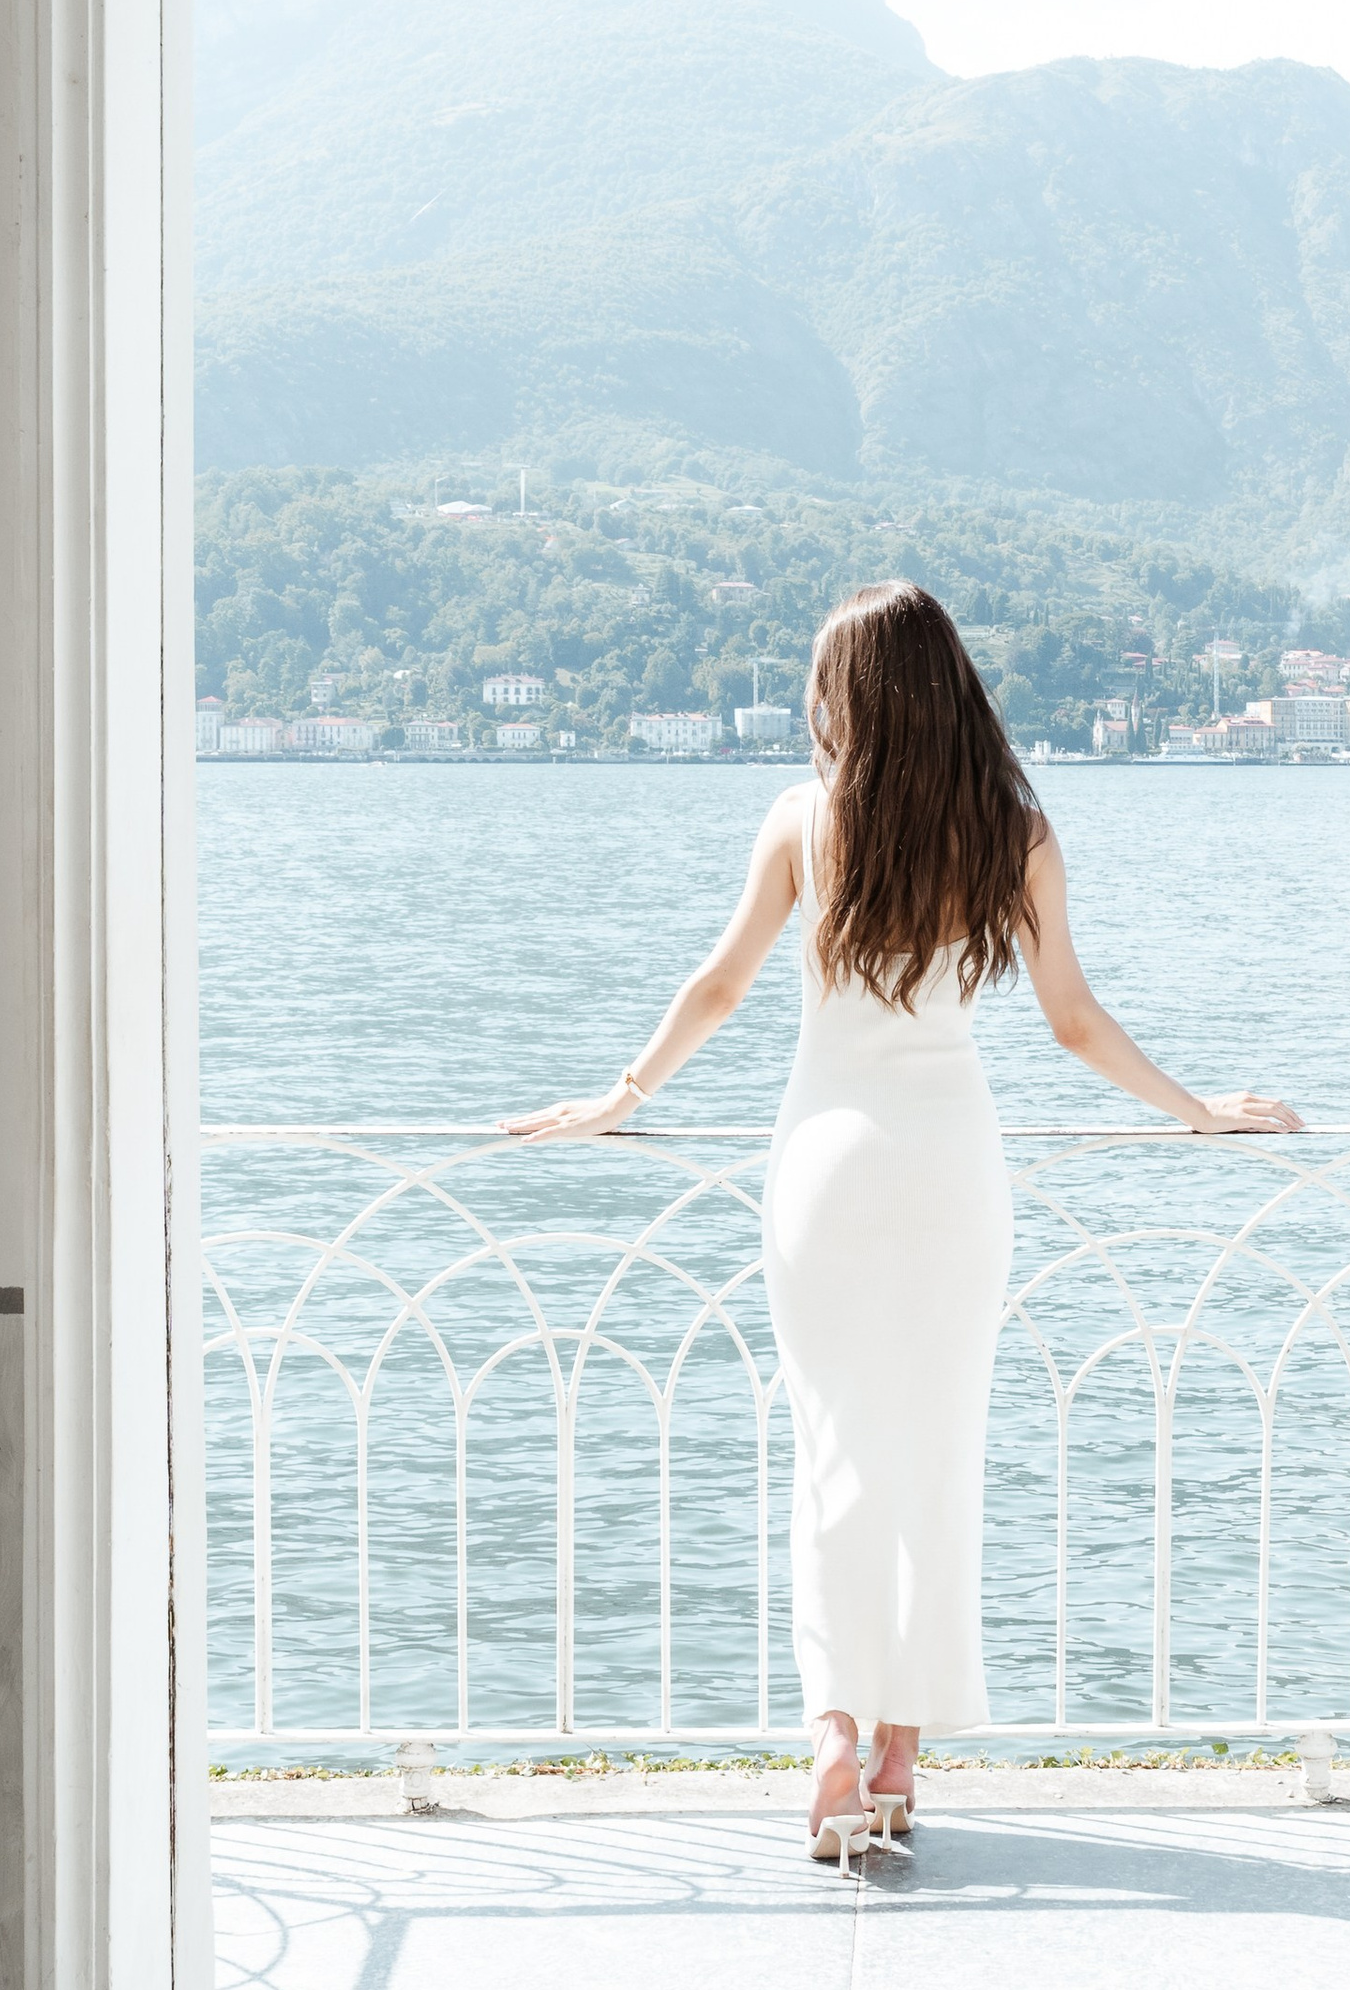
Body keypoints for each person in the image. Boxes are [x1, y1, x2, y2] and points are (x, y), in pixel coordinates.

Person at [500, 583, 1301, 1861]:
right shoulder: (1013, 829)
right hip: (947, 1172)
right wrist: (1198, 1110)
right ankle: (898, 1758)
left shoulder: (803, 822)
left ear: (848, 696)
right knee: (937, 1457)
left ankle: (830, 1734)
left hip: (822, 1167)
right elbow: (1074, 1022)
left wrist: (619, 1097)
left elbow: (718, 984)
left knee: (834, 1458)